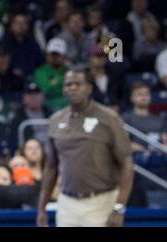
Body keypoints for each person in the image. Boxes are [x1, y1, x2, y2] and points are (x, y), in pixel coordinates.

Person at [37, 67, 134, 228]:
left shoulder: (109, 118)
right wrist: (41, 208)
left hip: (101, 201)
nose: (72, 88)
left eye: (77, 84)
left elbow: (126, 163)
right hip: (66, 202)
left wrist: (119, 208)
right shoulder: (55, 119)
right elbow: (51, 166)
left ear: (89, 88)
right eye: (68, 84)